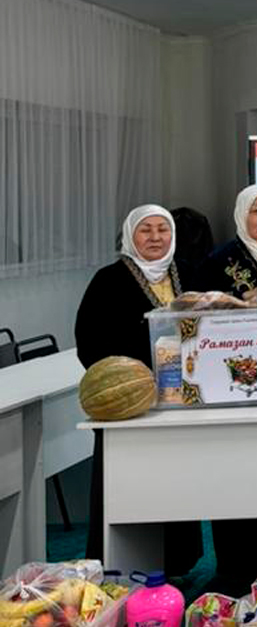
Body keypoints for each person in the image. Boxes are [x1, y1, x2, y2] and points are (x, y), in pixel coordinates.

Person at [74, 205, 202, 569]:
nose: (156, 237)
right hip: (130, 403)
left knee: (176, 480)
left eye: (163, 229)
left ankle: (175, 562)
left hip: (182, 400)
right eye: (146, 230)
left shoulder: (189, 273)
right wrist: (130, 379)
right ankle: (122, 564)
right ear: (130, 236)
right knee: (131, 486)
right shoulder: (107, 280)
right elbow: (89, 340)